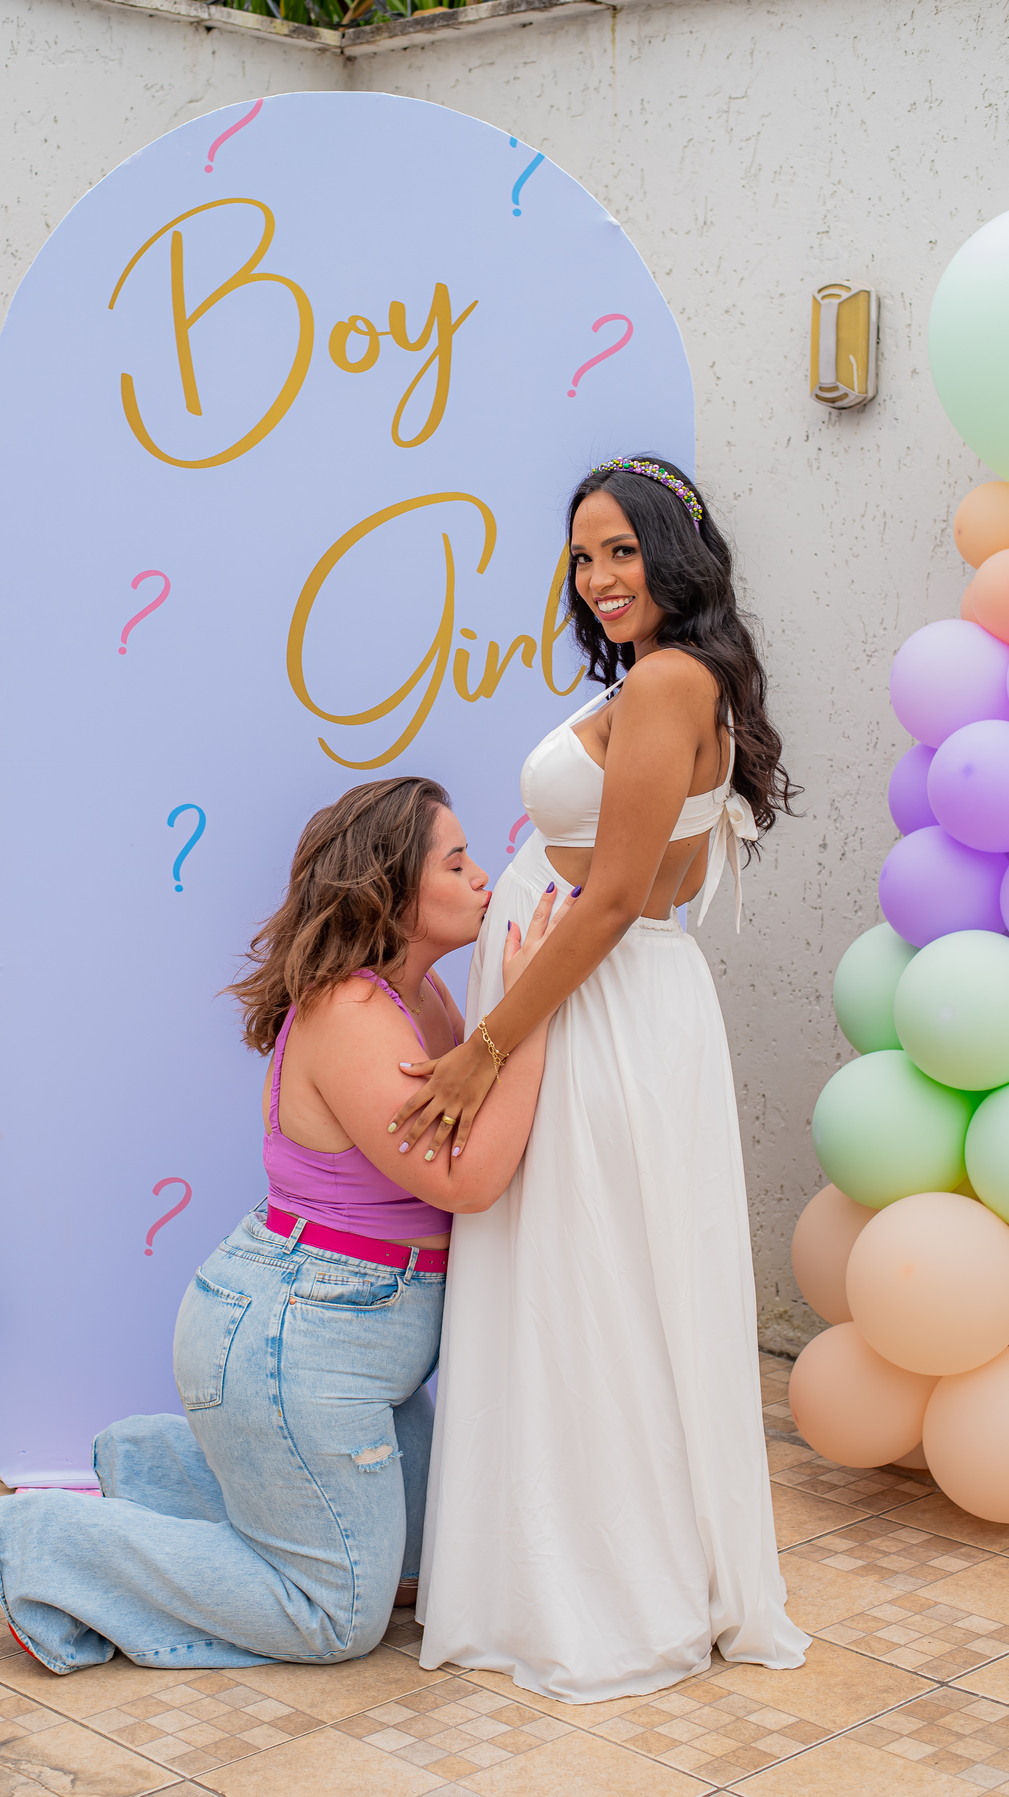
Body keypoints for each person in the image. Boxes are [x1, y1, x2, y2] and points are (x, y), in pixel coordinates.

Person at [0, 776, 570, 1674]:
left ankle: (152, 1468)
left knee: (426, 1562)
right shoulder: (352, 1013)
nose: (482, 876)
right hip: (297, 1341)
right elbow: (468, 1177)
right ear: (393, 893)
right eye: (456, 862)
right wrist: (536, 1008)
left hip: (348, 1347)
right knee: (337, 1616)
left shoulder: (428, 999)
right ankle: (43, 1542)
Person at [392, 457, 812, 1702]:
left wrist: (484, 1044)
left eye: (622, 549)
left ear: (675, 554)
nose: (598, 577)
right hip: (605, 1003)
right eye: (583, 557)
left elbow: (617, 896)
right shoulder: (669, 677)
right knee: (593, 1284)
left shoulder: (673, 681)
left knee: (592, 1289)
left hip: (596, 1008)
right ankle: (569, 1567)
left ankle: (604, 1591)